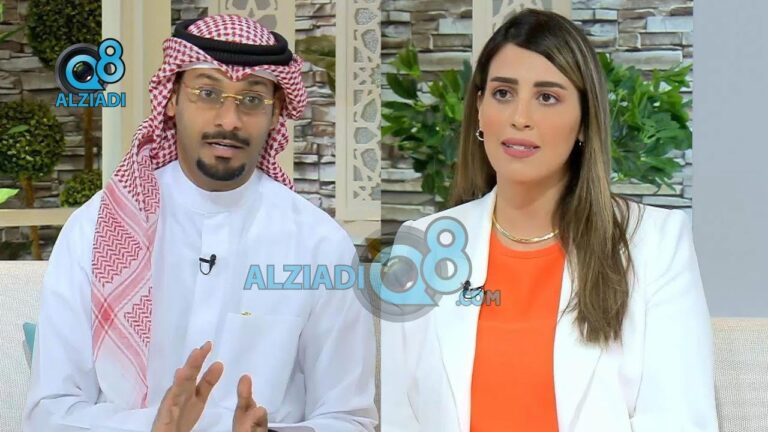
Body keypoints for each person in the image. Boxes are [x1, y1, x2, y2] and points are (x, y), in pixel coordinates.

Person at [24, 15, 376, 432]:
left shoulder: (319, 244)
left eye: (252, 99)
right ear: (172, 99)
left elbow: (349, 418)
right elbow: (47, 414)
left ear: (276, 111)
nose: (229, 119)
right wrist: (150, 427)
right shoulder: (96, 229)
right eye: (207, 93)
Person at [381, 9, 718, 432]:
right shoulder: (421, 246)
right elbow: (402, 418)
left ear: (584, 122)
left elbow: (679, 419)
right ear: (480, 108)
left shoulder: (654, 242)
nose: (520, 117)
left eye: (547, 97)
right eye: (503, 93)